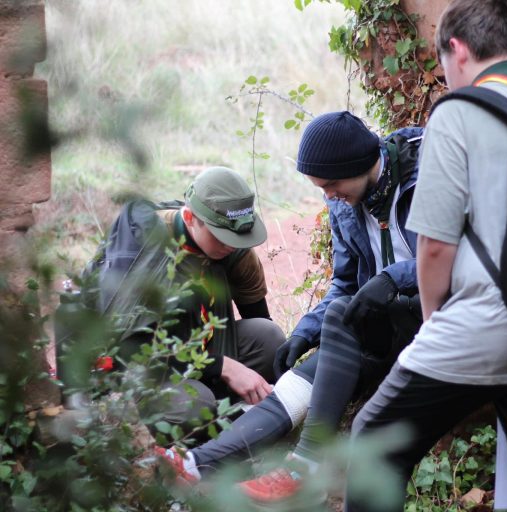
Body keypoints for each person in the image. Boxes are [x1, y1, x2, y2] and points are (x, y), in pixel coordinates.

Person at [344, 1, 507, 511]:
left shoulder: (457, 113)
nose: (444, 73)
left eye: (442, 61)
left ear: (458, 49)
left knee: (375, 440)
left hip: (485, 327)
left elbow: (436, 244)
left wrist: (430, 326)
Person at [155, 112, 423, 492]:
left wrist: (391, 279)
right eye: (320, 188)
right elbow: (346, 282)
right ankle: (197, 464)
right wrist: (304, 333)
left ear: (361, 164)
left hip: (434, 313)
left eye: (332, 184)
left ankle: (305, 465)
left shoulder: (423, 177)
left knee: (341, 322)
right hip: (382, 323)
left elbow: (457, 258)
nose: (329, 196)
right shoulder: (343, 201)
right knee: (311, 363)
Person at [83, 166, 285, 425]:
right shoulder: (145, 249)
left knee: (269, 338)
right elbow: (129, 351)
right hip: (141, 367)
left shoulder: (233, 245)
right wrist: (222, 366)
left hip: (202, 347)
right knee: (196, 404)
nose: (230, 245)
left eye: (235, 238)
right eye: (221, 237)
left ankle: (224, 407)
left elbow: (258, 315)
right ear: (190, 217)